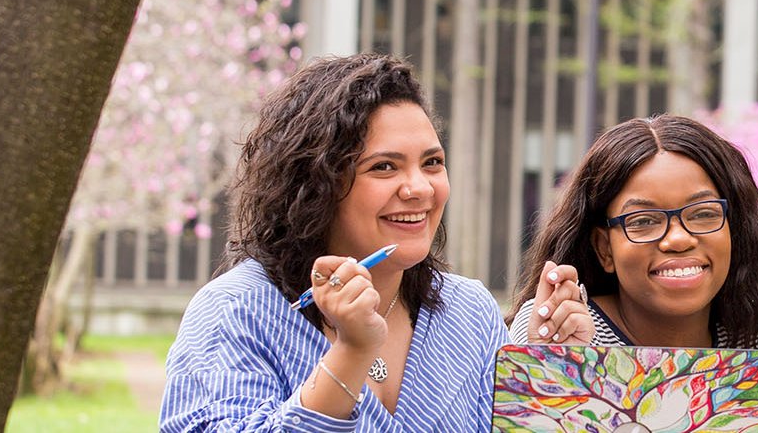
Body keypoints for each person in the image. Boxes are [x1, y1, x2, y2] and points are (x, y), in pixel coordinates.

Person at [163, 54, 509, 431]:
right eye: (384, 167)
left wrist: (550, 367)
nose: (420, 189)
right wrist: (351, 353)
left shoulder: (469, 313)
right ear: (316, 185)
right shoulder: (237, 311)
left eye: (432, 162)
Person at [509, 115, 758, 433]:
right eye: (643, 221)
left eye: (703, 213)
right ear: (605, 248)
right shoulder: (556, 328)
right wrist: (559, 367)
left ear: (732, 230)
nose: (678, 238)